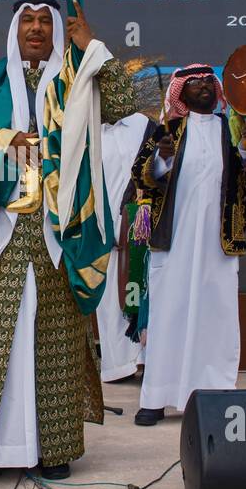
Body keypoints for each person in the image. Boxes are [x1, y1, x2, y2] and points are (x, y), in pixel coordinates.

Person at [0, 0, 136, 479]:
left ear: (56, 33)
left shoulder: (76, 85)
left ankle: (55, 450)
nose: (35, 28)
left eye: (44, 22)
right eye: (27, 21)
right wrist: (2, 141)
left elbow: (122, 105)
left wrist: (91, 48)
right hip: (1, 236)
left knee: (54, 339)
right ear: (14, 31)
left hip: (59, 232)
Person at [130, 62, 246, 425]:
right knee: (168, 316)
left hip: (219, 244)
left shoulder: (232, 128)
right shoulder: (168, 130)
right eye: (194, 83)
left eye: (209, 81)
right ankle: (156, 397)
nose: (204, 86)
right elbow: (141, 176)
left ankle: (216, 396)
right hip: (174, 242)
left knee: (217, 317)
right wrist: (162, 158)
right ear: (181, 93)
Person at [96, 111, 148, 383]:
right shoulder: (87, 127)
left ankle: (144, 359)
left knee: (140, 288)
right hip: (103, 229)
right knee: (108, 300)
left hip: (139, 225)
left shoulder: (146, 127)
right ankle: (118, 365)